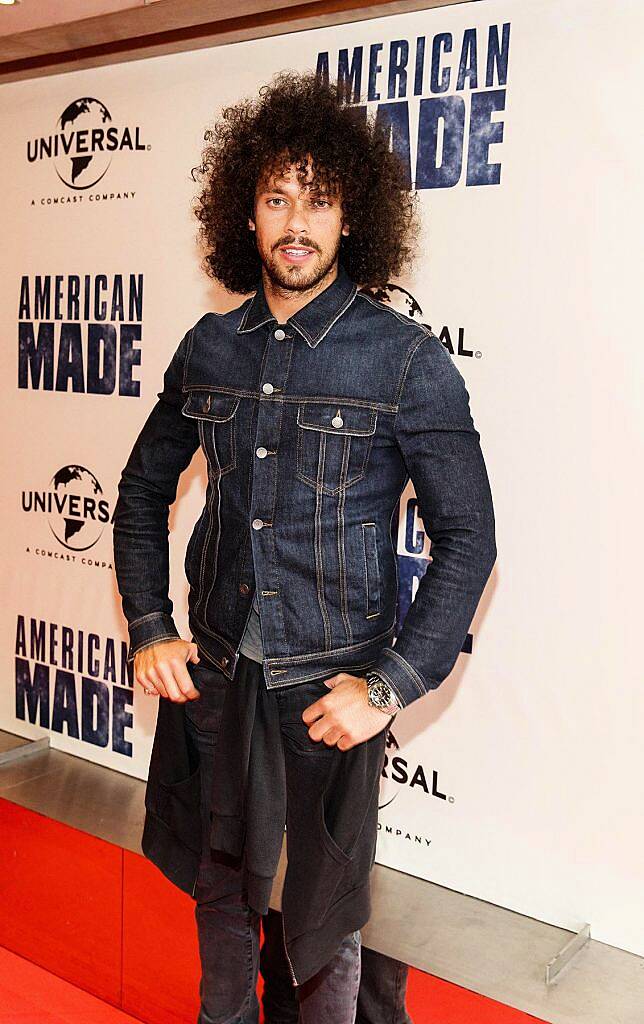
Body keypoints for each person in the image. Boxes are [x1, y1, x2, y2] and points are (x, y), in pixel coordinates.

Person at [113, 69, 496, 1024]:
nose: (295, 221)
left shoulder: (404, 360)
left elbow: (469, 537)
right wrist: (153, 625)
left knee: (327, 937)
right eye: (276, 197)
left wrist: (387, 687)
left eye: (317, 201)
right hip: (220, 677)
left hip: (331, 697)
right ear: (243, 212)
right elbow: (140, 489)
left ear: (349, 217)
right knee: (223, 898)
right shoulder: (210, 345)